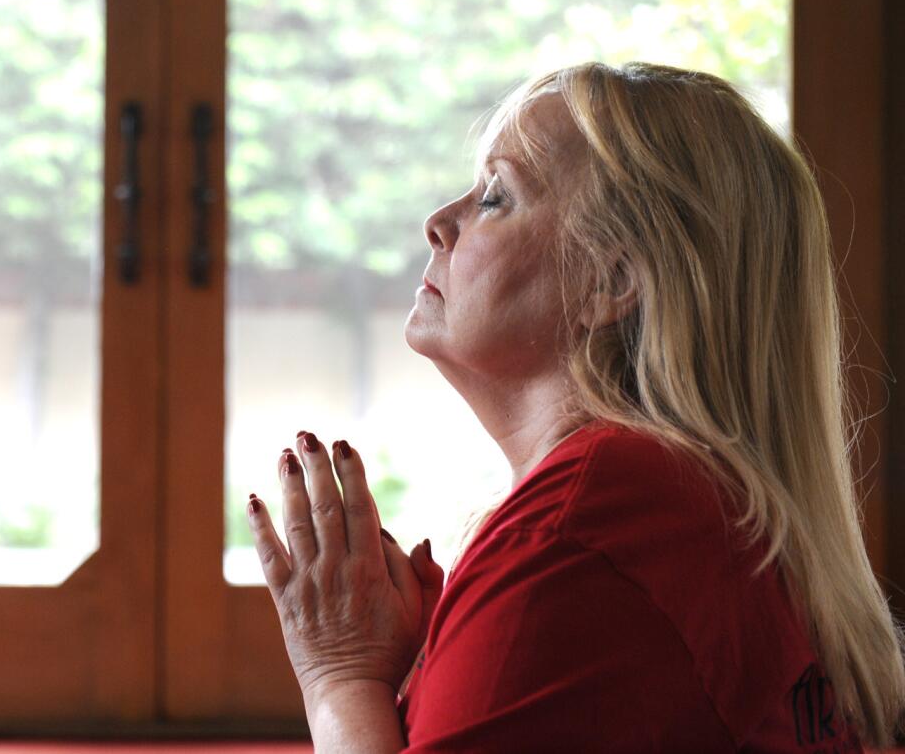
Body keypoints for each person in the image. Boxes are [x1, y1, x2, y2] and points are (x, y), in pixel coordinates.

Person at [247, 62, 905, 752]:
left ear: (612, 278)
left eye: (496, 196)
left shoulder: (588, 522)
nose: (438, 223)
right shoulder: (668, 500)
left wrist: (339, 675)